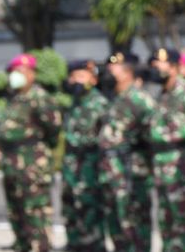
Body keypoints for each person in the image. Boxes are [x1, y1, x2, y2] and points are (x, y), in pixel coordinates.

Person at [0, 54, 61, 252]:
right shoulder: (14, 98)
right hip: (12, 163)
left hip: (32, 163)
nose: (16, 75)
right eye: (14, 71)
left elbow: (53, 128)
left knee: (36, 212)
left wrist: (36, 150)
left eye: (21, 71)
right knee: (16, 212)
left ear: (32, 74)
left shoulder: (40, 98)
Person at [98, 51, 154, 252]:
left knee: (134, 225)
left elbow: (151, 137)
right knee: (116, 225)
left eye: (114, 69)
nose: (109, 73)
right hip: (111, 172)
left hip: (131, 173)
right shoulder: (114, 98)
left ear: (127, 72)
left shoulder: (140, 99)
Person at [146, 48, 185, 252]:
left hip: (181, 169)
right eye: (155, 65)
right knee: (166, 225)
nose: (156, 69)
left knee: (184, 225)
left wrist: (155, 134)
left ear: (175, 67)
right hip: (161, 170)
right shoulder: (162, 95)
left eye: (161, 65)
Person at [62, 59, 109, 252]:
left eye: (81, 76)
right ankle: (74, 243)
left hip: (90, 165)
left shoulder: (100, 103)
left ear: (93, 79)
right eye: (73, 77)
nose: (77, 81)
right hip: (71, 165)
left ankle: (93, 245)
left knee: (90, 209)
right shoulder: (73, 104)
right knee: (71, 207)